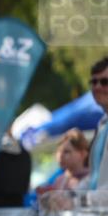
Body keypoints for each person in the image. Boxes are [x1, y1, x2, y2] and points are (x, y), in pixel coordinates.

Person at [37, 129, 91, 196]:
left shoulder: (92, 179)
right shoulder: (60, 180)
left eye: (66, 152)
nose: (60, 156)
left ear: (83, 154)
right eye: (59, 151)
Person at [86, 56, 108, 191]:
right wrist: (66, 194)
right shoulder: (102, 124)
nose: (97, 87)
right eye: (93, 82)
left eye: (105, 82)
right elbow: (94, 178)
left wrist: (82, 199)